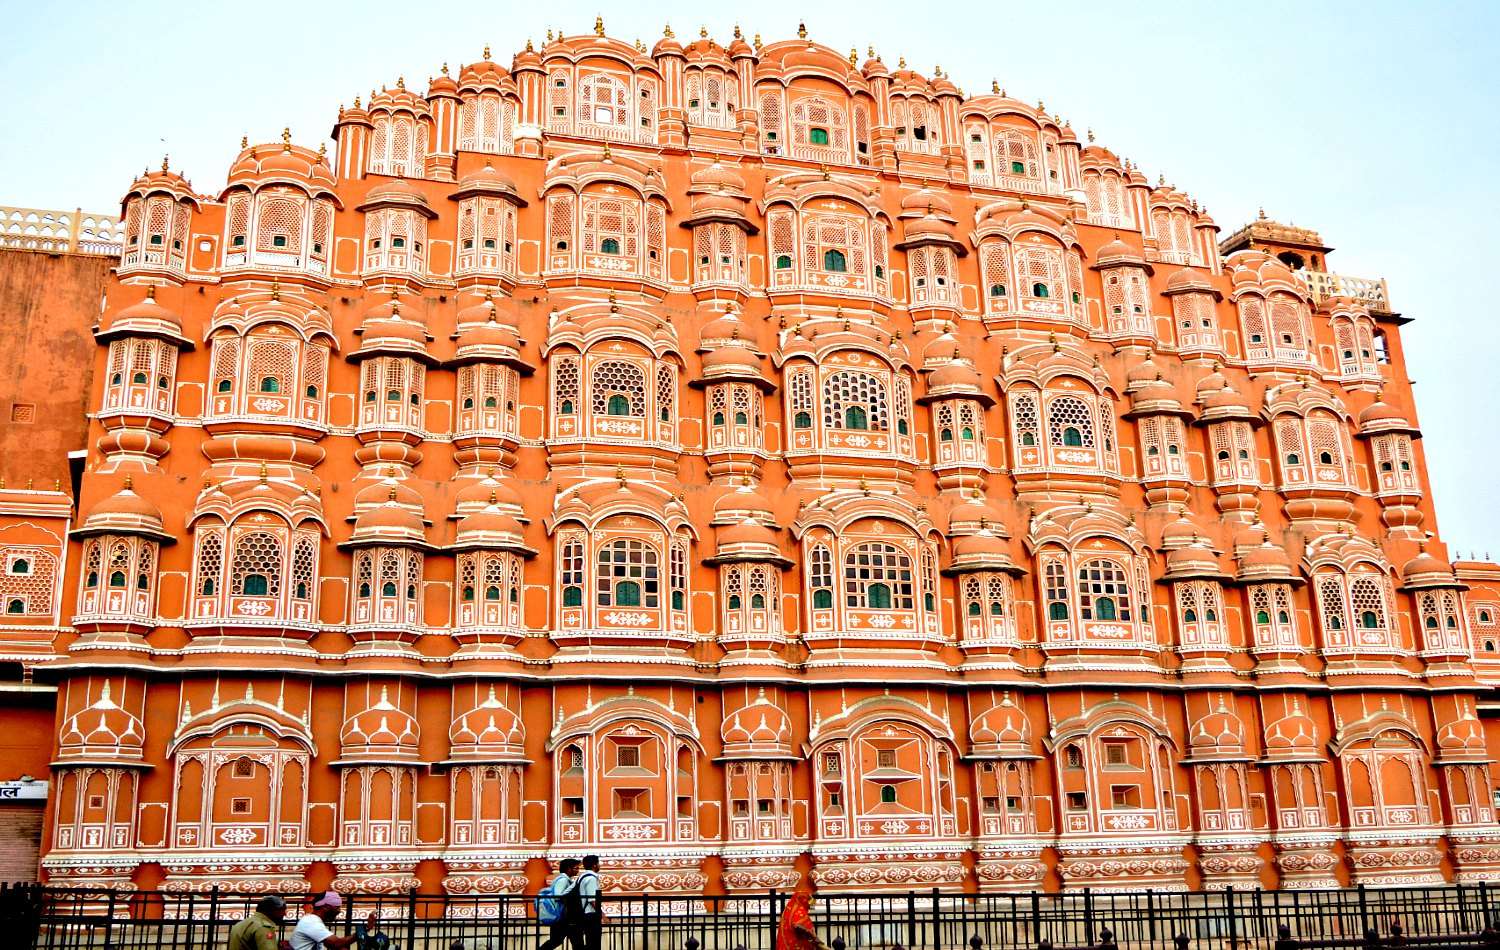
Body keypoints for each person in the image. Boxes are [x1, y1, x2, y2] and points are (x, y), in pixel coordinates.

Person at [290, 892, 357, 950]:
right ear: (325, 907)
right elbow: (335, 943)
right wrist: (359, 934)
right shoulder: (311, 922)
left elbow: (330, 944)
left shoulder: (313, 920)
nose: (339, 911)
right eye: (337, 907)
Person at [538, 858, 580, 950]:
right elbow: (558, 896)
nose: (578, 870)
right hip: (563, 916)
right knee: (559, 940)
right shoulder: (563, 880)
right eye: (576, 868)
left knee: (560, 940)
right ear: (569, 869)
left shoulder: (563, 879)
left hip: (563, 916)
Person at [570, 855, 602, 950]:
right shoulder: (591, 879)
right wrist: (602, 915)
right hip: (590, 914)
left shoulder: (582, 877)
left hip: (583, 913)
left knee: (590, 941)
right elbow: (592, 900)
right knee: (593, 942)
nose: (599, 865)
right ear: (594, 865)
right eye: (598, 863)